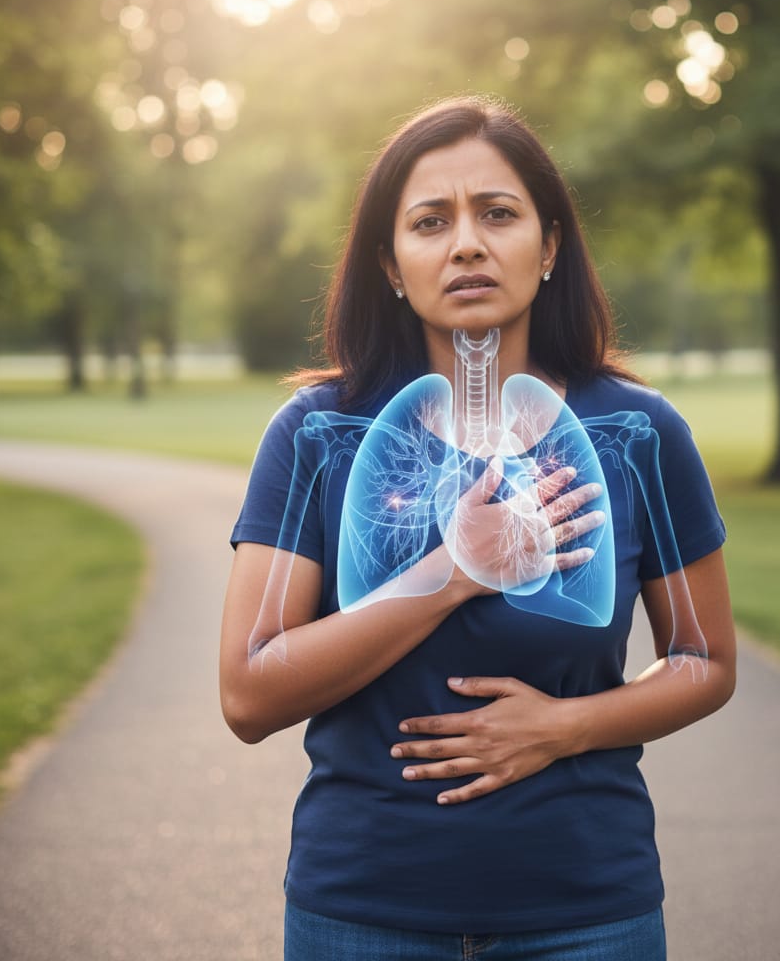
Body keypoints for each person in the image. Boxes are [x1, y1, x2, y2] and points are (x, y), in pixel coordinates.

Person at [220, 94, 736, 961]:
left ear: (550, 248)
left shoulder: (639, 436)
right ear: (391, 263)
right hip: (362, 913)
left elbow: (706, 662)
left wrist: (566, 727)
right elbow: (248, 694)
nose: (466, 242)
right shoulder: (318, 435)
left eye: (498, 213)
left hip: (588, 913)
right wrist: (455, 572)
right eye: (430, 222)